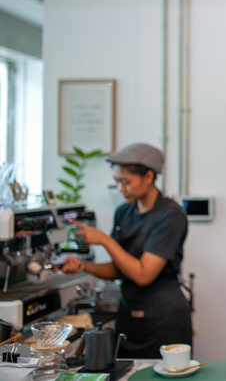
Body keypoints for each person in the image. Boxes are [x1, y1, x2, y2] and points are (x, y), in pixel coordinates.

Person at [61, 143, 192, 359]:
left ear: (148, 177)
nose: (121, 188)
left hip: (164, 316)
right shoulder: (124, 212)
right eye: (117, 182)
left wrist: (104, 240)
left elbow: (143, 275)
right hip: (129, 313)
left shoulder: (170, 215)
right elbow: (120, 269)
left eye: (126, 182)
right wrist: (84, 266)